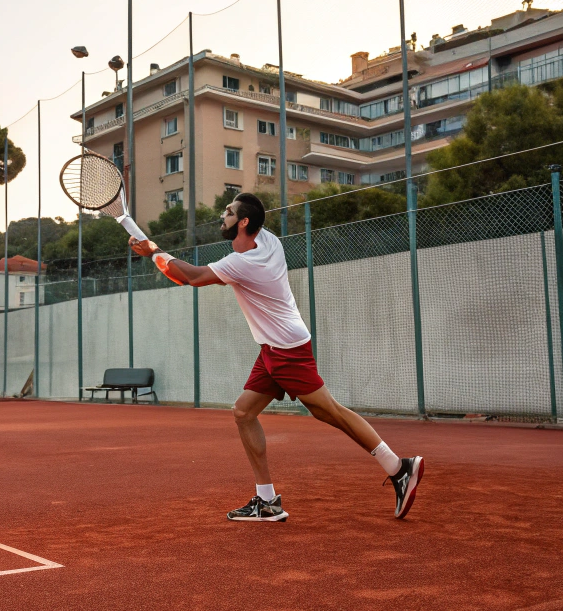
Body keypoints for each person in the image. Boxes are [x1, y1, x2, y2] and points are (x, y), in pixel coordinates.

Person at [130, 192, 424, 522]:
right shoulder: (268, 241)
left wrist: (153, 251)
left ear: (243, 223)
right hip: (272, 348)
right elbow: (191, 273)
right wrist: (155, 252)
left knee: (330, 412)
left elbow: (191, 277)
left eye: (228, 212)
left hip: (287, 350)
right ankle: (267, 501)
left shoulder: (243, 263)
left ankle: (399, 467)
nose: (222, 216)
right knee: (244, 412)